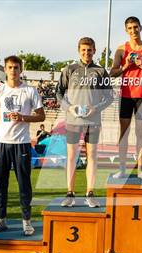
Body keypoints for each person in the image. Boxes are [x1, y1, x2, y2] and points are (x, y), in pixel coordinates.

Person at [0, 55, 45, 235]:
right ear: (5, 69)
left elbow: (41, 116)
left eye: (16, 67)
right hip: (2, 143)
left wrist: (22, 118)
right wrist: (7, 124)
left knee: (24, 185)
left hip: (22, 144)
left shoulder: (30, 91)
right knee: (0, 184)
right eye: (10, 67)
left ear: (21, 70)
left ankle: (26, 221)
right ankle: (1, 219)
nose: (13, 71)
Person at [56, 37, 113, 208]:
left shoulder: (101, 71)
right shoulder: (69, 69)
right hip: (73, 120)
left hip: (93, 121)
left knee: (92, 157)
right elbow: (59, 93)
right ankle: (70, 193)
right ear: (78, 50)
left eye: (89, 50)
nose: (86, 53)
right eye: (83, 50)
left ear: (94, 51)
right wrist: (69, 108)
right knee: (72, 157)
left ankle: (90, 193)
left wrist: (96, 108)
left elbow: (110, 96)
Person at [110, 16, 142, 179]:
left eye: (135, 27)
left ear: (141, 28)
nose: (133, 30)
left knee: (140, 134)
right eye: (130, 28)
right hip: (126, 95)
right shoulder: (120, 49)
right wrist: (126, 65)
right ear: (126, 30)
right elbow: (112, 72)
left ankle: (141, 170)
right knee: (124, 133)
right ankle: (122, 168)